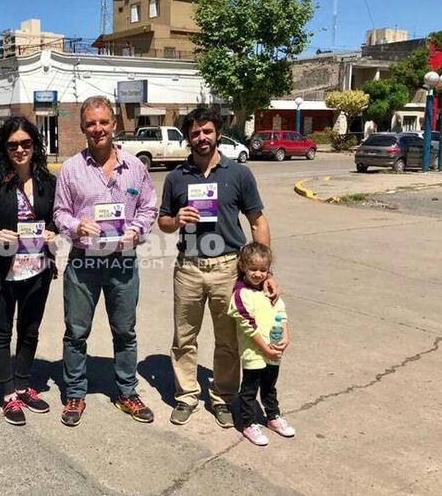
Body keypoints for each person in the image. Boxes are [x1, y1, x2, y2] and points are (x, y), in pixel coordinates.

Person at [158, 107, 278, 429]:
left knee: (228, 339)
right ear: (188, 137)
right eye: (195, 133)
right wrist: (175, 220)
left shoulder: (239, 174)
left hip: (228, 268)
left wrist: (266, 273)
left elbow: (257, 222)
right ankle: (186, 395)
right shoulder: (175, 178)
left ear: (218, 134)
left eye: (207, 131)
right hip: (189, 269)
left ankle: (223, 397)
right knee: (184, 337)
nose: (201, 138)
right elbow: (163, 222)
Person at [53, 96, 157, 426]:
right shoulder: (70, 169)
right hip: (84, 262)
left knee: (125, 331)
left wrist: (137, 230)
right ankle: (74, 393)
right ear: (83, 128)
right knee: (76, 332)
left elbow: (148, 207)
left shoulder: (135, 167)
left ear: (114, 124)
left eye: (103, 122)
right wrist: (75, 225)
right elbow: (59, 212)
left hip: (122, 260)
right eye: (90, 124)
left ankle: (127, 391)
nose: (97, 129)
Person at [0, 116, 57, 426]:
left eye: (26, 143)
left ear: (34, 145)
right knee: (2, 332)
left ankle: (23, 385)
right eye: (13, 145)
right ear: (3, 149)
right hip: (1, 272)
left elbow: (55, 219)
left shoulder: (48, 182)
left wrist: (52, 232)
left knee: (30, 331)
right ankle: (8, 394)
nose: (20, 150)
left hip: (37, 270)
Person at [227, 242, 294, 446]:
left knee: (269, 387)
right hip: (254, 352)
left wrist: (286, 337)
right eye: (253, 269)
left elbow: (281, 313)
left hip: (274, 349)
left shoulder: (269, 291)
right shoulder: (240, 294)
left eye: (263, 270)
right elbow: (248, 325)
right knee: (249, 390)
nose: (258, 274)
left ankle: (273, 416)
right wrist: (265, 348)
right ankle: (248, 423)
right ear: (243, 267)